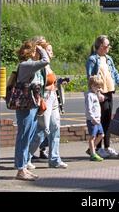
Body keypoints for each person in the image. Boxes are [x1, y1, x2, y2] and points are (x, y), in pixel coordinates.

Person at [28, 38, 67, 169]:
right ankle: (26, 157)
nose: (51, 52)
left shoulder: (48, 66)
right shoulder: (39, 65)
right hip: (44, 98)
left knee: (55, 127)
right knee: (43, 129)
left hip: (53, 97)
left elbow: (51, 81)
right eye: (48, 50)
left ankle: (55, 159)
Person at [86, 35, 119, 158]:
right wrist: (97, 93)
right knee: (100, 120)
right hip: (100, 93)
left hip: (109, 92)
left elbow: (114, 73)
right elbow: (90, 77)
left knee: (108, 121)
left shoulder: (108, 58)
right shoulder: (93, 59)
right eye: (106, 45)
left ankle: (107, 146)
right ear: (100, 46)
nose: (108, 47)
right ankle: (97, 148)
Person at [14, 40, 50, 181]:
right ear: (31, 52)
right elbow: (46, 61)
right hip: (26, 105)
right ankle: (20, 169)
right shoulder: (26, 65)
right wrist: (41, 49)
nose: (38, 53)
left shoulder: (31, 66)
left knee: (28, 136)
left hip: (32, 104)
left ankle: (23, 167)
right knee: (23, 136)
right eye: (36, 50)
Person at [85, 76, 105, 162]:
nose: (99, 88)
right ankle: (93, 154)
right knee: (92, 137)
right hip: (92, 120)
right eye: (97, 87)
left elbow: (100, 100)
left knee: (101, 135)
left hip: (98, 119)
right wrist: (92, 118)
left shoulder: (95, 94)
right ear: (92, 86)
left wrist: (99, 94)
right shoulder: (89, 95)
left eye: (100, 87)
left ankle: (91, 149)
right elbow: (89, 108)